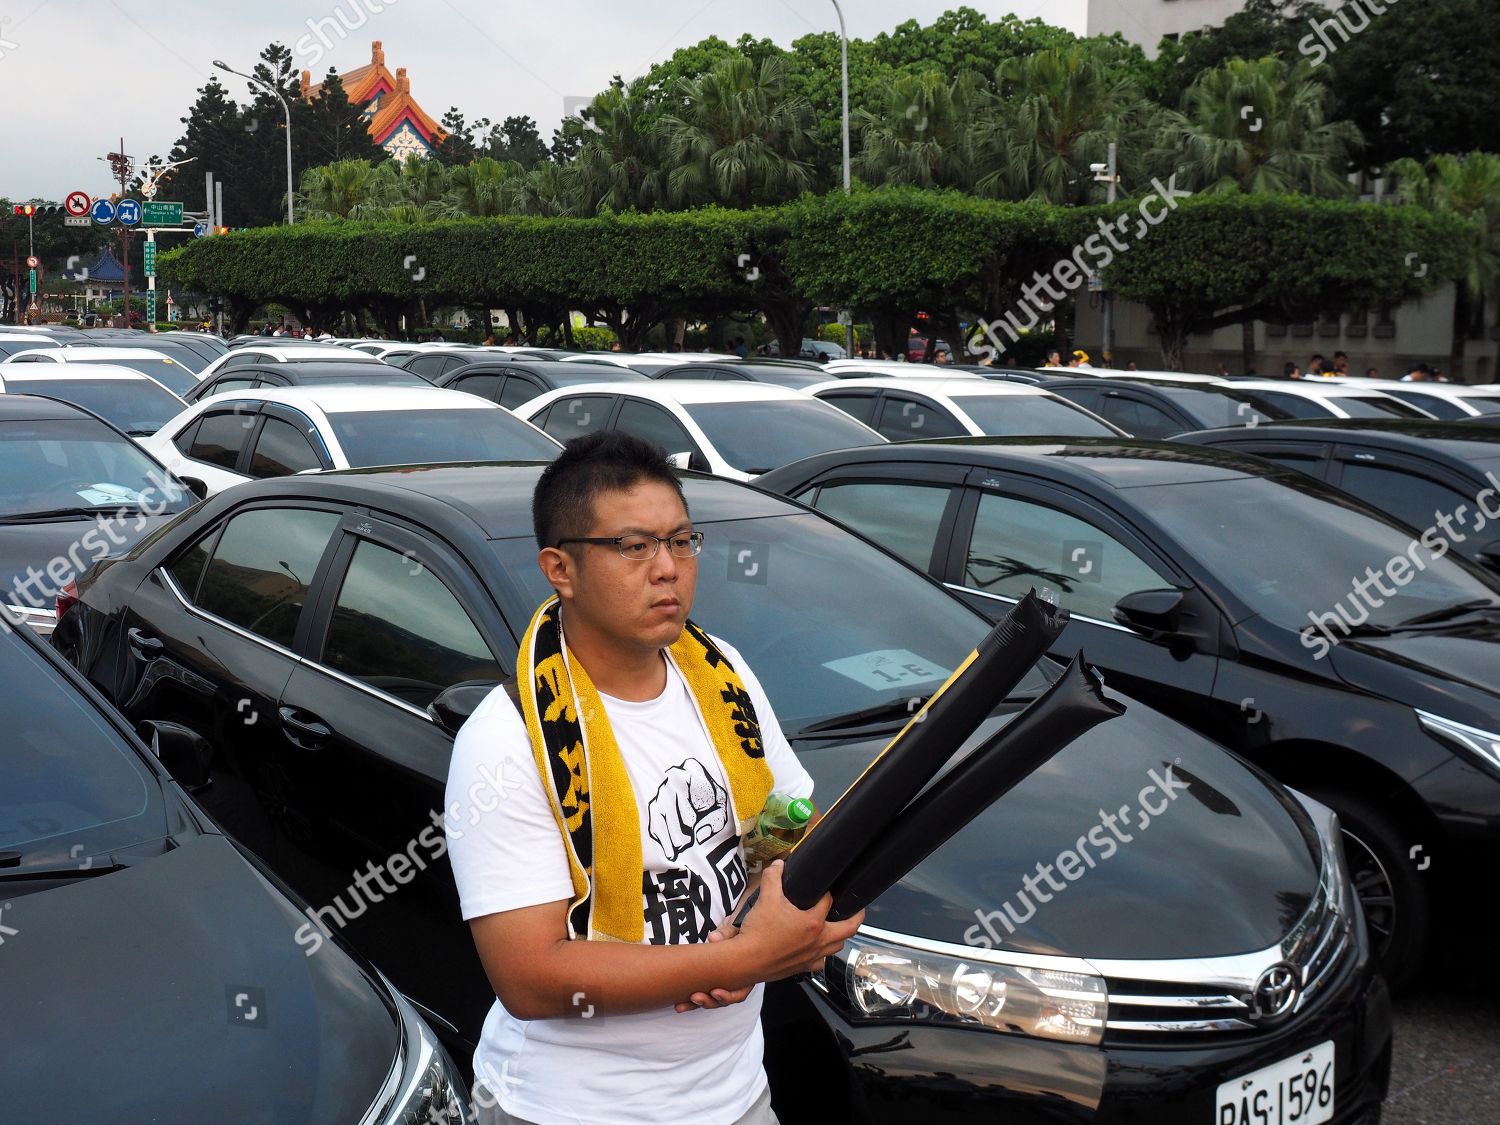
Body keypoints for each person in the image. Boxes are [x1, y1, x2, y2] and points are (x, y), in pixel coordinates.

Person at [445, 433, 863, 1125]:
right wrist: (738, 959)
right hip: (574, 1108)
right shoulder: (507, 738)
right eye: (634, 547)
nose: (668, 568)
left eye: (681, 540)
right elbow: (529, 976)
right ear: (561, 568)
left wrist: (790, 909)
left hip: (733, 1093)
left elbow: (786, 819)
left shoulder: (719, 671)